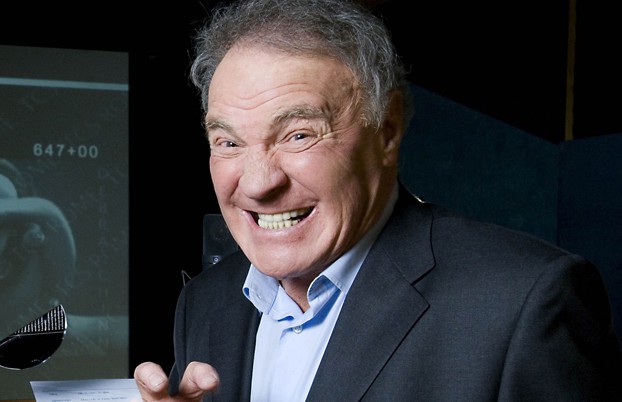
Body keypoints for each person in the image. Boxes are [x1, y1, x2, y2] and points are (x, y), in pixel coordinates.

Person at [133, 0, 622, 400]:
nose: (259, 183)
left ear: (387, 132)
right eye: (229, 142)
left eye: (298, 135)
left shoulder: (524, 302)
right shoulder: (203, 303)